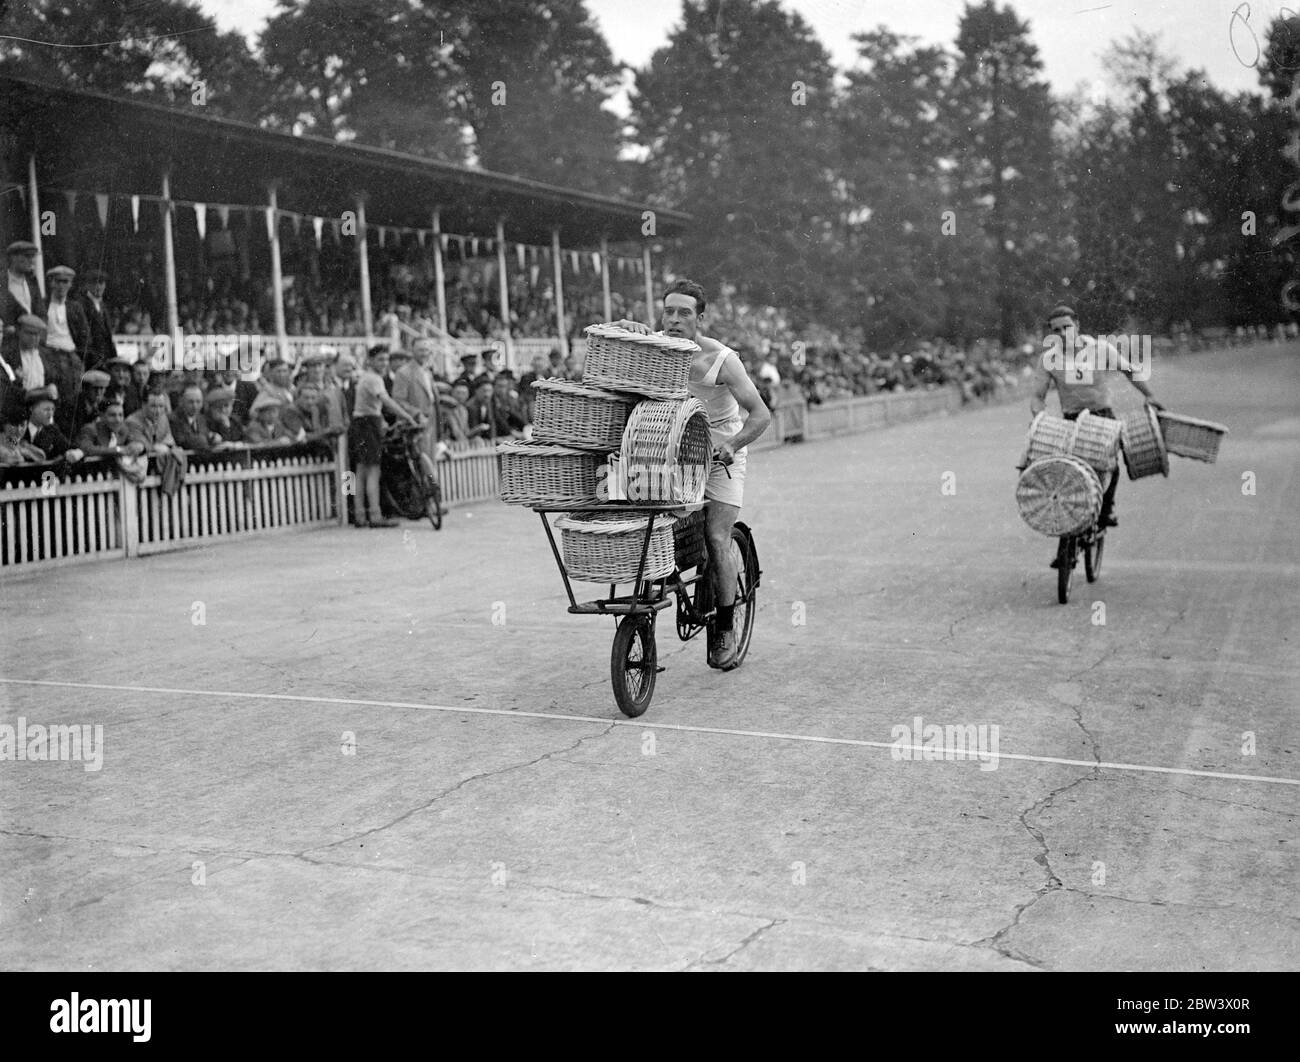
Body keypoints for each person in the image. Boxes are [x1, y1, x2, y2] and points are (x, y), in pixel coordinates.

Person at [615, 278, 771, 669]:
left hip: (719, 456)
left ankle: (724, 627)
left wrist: (732, 446)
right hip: (669, 453)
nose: (674, 319)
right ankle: (644, 618)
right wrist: (625, 326)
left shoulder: (720, 360)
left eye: (685, 313)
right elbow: (612, 349)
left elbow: (761, 414)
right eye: (668, 311)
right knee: (647, 526)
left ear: (701, 318)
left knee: (716, 537)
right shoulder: (653, 347)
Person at [1029, 304, 1162, 565]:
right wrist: (1038, 417)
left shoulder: (1100, 349)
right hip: (1071, 420)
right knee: (1064, 477)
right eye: (1056, 330)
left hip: (1102, 416)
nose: (1062, 333)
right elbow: (1037, 395)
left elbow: (1129, 370)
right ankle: (1064, 547)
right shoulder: (1050, 359)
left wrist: (1150, 395)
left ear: (1077, 325)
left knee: (1110, 465)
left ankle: (1105, 510)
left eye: (1066, 327)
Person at [350, 345, 419, 528]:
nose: (384, 363)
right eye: (380, 359)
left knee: (362, 471)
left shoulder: (367, 377)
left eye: (386, 360)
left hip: (364, 422)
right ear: (371, 360)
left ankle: (360, 515)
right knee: (372, 470)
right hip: (367, 424)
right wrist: (407, 416)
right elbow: (386, 401)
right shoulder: (373, 379)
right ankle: (375, 515)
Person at [23, 385, 83, 463]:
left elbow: (71, 447)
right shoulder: (18, 428)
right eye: (46, 409)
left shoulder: (52, 430)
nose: (50, 414)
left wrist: (77, 453)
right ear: (31, 409)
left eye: (52, 409)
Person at [77, 267, 117, 370]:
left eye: (101, 283)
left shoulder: (103, 306)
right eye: (94, 283)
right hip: (91, 357)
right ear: (87, 285)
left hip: (105, 356)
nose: (98, 287)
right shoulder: (81, 305)